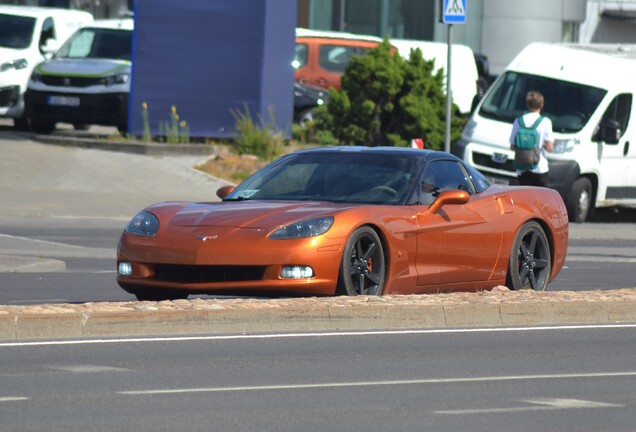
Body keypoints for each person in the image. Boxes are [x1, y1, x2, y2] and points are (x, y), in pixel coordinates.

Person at [509, 91, 554, 187]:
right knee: (540, 200)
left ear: (527, 104)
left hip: (522, 169)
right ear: (542, 105)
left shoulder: (518, 121)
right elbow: (549, 148)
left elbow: (512, 146)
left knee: (523, 199)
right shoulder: (546, 122)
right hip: (539, 168)